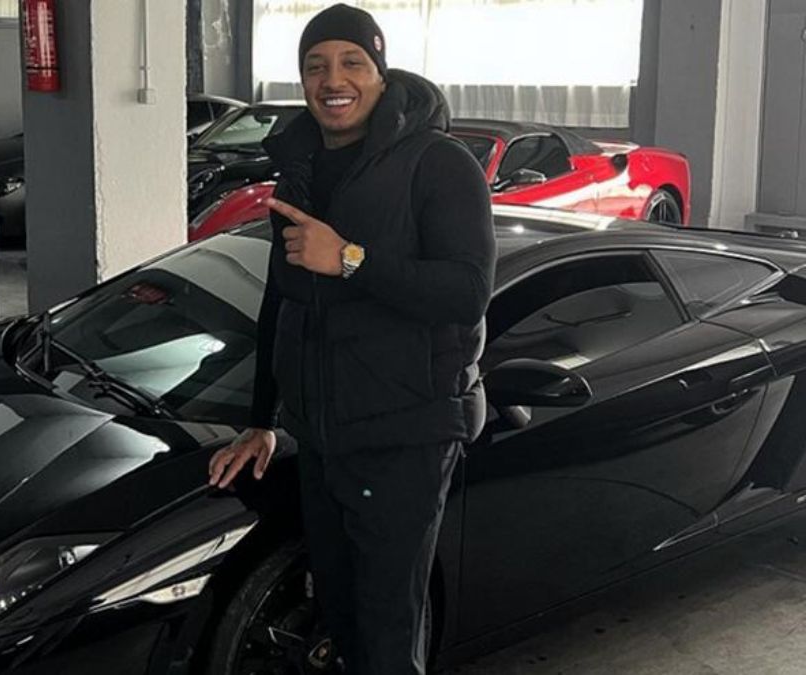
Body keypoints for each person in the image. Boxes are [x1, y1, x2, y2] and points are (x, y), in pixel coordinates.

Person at [207, 4, 496, 673]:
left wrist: (349, 259)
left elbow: (466, 292)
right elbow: (282, 297)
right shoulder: (303, 165)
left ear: (380, 73)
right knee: (340, 621)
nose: (331, 79)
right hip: (322, 438)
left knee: (387, 637)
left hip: (404, 437)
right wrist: (262, 422)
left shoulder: (438, 162)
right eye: (315, 66)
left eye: (351, 62)